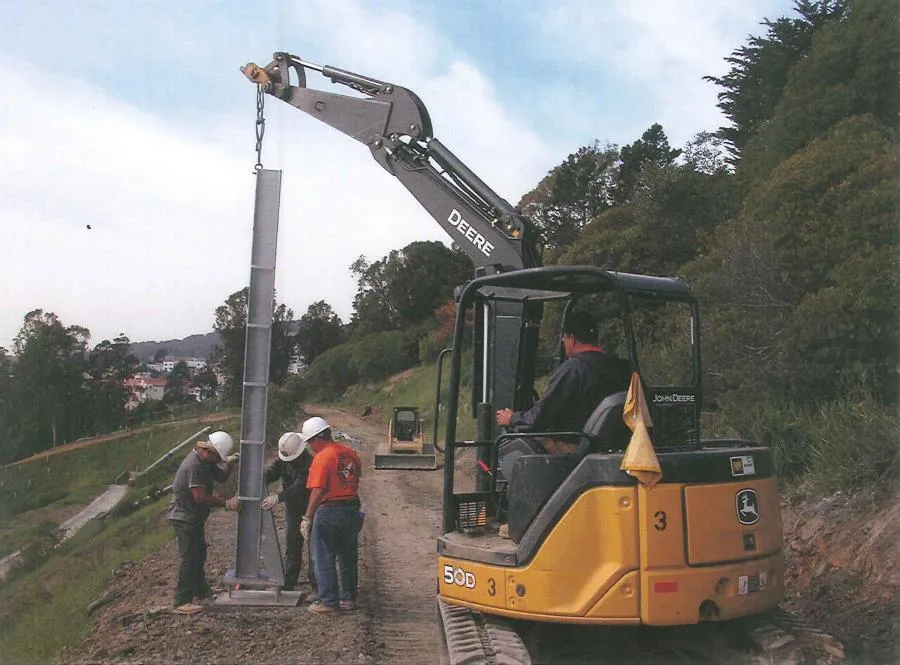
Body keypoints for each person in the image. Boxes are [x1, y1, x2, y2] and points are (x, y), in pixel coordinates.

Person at [495, 311, 631, 480]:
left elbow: (540, 418)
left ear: (571, 338)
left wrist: (512, 418)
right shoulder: (624, 368)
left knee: (519, 442)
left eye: (564, 339)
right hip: (616, 446)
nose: (564, 343)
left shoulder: (574, 369)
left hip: (578, 448)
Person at [167, 430, 240, 615]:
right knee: (190, 557)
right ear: (209, 452)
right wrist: (225, 503)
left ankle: (200, 591)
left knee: (199, 553)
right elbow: (200, 497)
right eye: (218, 458)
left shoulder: (206, 461)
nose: (218, 461)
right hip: (183, 517)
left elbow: (221, 477)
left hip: (193, 517)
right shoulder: (194, 466)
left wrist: (229, 464)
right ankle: (181, 601)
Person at [299, 416, 363, 614]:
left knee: (323, 556)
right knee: (348, 556)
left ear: (317, 438)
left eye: (309, 442)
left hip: (330, 510)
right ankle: (348, 598)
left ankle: (328, 601)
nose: (310, 447)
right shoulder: (351, 454)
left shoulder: (322, 457)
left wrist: (307, 517)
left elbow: (318, 490)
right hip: (352, 509)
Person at [259, 431, 315, 591]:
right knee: (292, 545)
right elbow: (273, 472)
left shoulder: (309, 463)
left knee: (313, 548)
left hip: (309, 508)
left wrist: (278, 497)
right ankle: (289, 580)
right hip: (293, 509)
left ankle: (316, 585)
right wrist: (258, 478)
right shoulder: (285, 460)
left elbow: (299, 485)